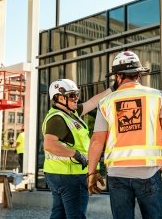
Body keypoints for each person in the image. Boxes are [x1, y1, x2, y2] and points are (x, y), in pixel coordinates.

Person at [87, 50, 162, 219]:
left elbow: (97, 140)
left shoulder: (105, 102)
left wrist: (91, 173)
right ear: (138, 74)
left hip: (117, 174)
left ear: (117, 76)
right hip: (148, 172)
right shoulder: (158, 96)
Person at [42, 79, 112, 219]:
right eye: (72, 95)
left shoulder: (69, 113)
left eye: (76, 94)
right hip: (70, 176)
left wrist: (111, 89)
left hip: (58, 174)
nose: (76, 98)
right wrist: (76, 155)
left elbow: (91, 103)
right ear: (59, 97)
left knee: (59, 214)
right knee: (76, 215)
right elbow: (49, 145)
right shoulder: (57, 119)